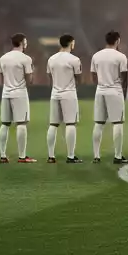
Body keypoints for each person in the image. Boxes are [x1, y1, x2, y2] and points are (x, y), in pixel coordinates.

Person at [90, 30, 128, 164]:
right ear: (117, 41)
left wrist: (100, 85)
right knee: (117, 123)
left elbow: (93, 75)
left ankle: (96, 156)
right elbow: (124, 76)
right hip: (114, 90)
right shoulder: (121, 56)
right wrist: (123, 90)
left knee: (99, 123)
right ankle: (118, 156)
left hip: (100, 90)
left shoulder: (96, 56)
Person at [45, 34, 82, 164]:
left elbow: (50, 77)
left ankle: (51, 156)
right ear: (71, 43)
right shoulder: (74, 59)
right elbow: (79, 78)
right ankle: (70, 156)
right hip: (69, 93)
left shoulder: (51, 59)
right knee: (70, 123)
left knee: (53, 124)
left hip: (55, 93)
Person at [0, 33, 34, 163]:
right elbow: (29, 79)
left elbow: (1, 77)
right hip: (19, 93)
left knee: (5, 124)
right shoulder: (26, 59)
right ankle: (22, 156)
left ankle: (3, 155)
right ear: (22, 42)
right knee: (21, 123)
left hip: (6, 92)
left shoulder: (3, 58)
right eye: (25, 41)